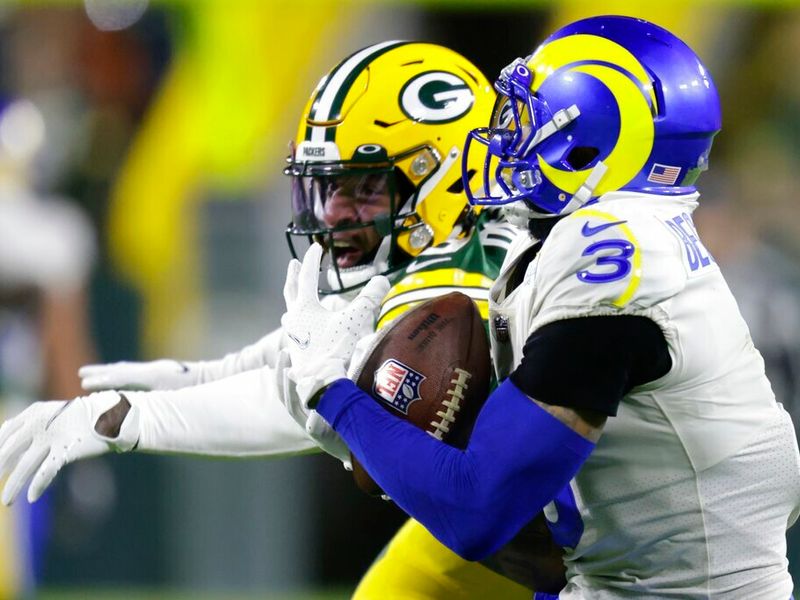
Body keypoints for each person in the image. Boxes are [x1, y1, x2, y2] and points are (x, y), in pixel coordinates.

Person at [0, 43, 557, 598]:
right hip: (521, 521)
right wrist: (199, 377)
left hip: (605, 543)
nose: (333, 213)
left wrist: (132, 418)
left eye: (363, 187)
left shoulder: (461, 300)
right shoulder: (453, 250)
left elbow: (308, 401)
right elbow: (313, 357)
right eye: (327, 186)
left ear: (448, 178)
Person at [280, 16, 800, 598]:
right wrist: (379, 442)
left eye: (528, 115)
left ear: (594, 134)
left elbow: (479, 511)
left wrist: (333, 393)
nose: (504, 134)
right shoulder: (592, 241)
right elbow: (547, 544)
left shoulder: (616, 253)